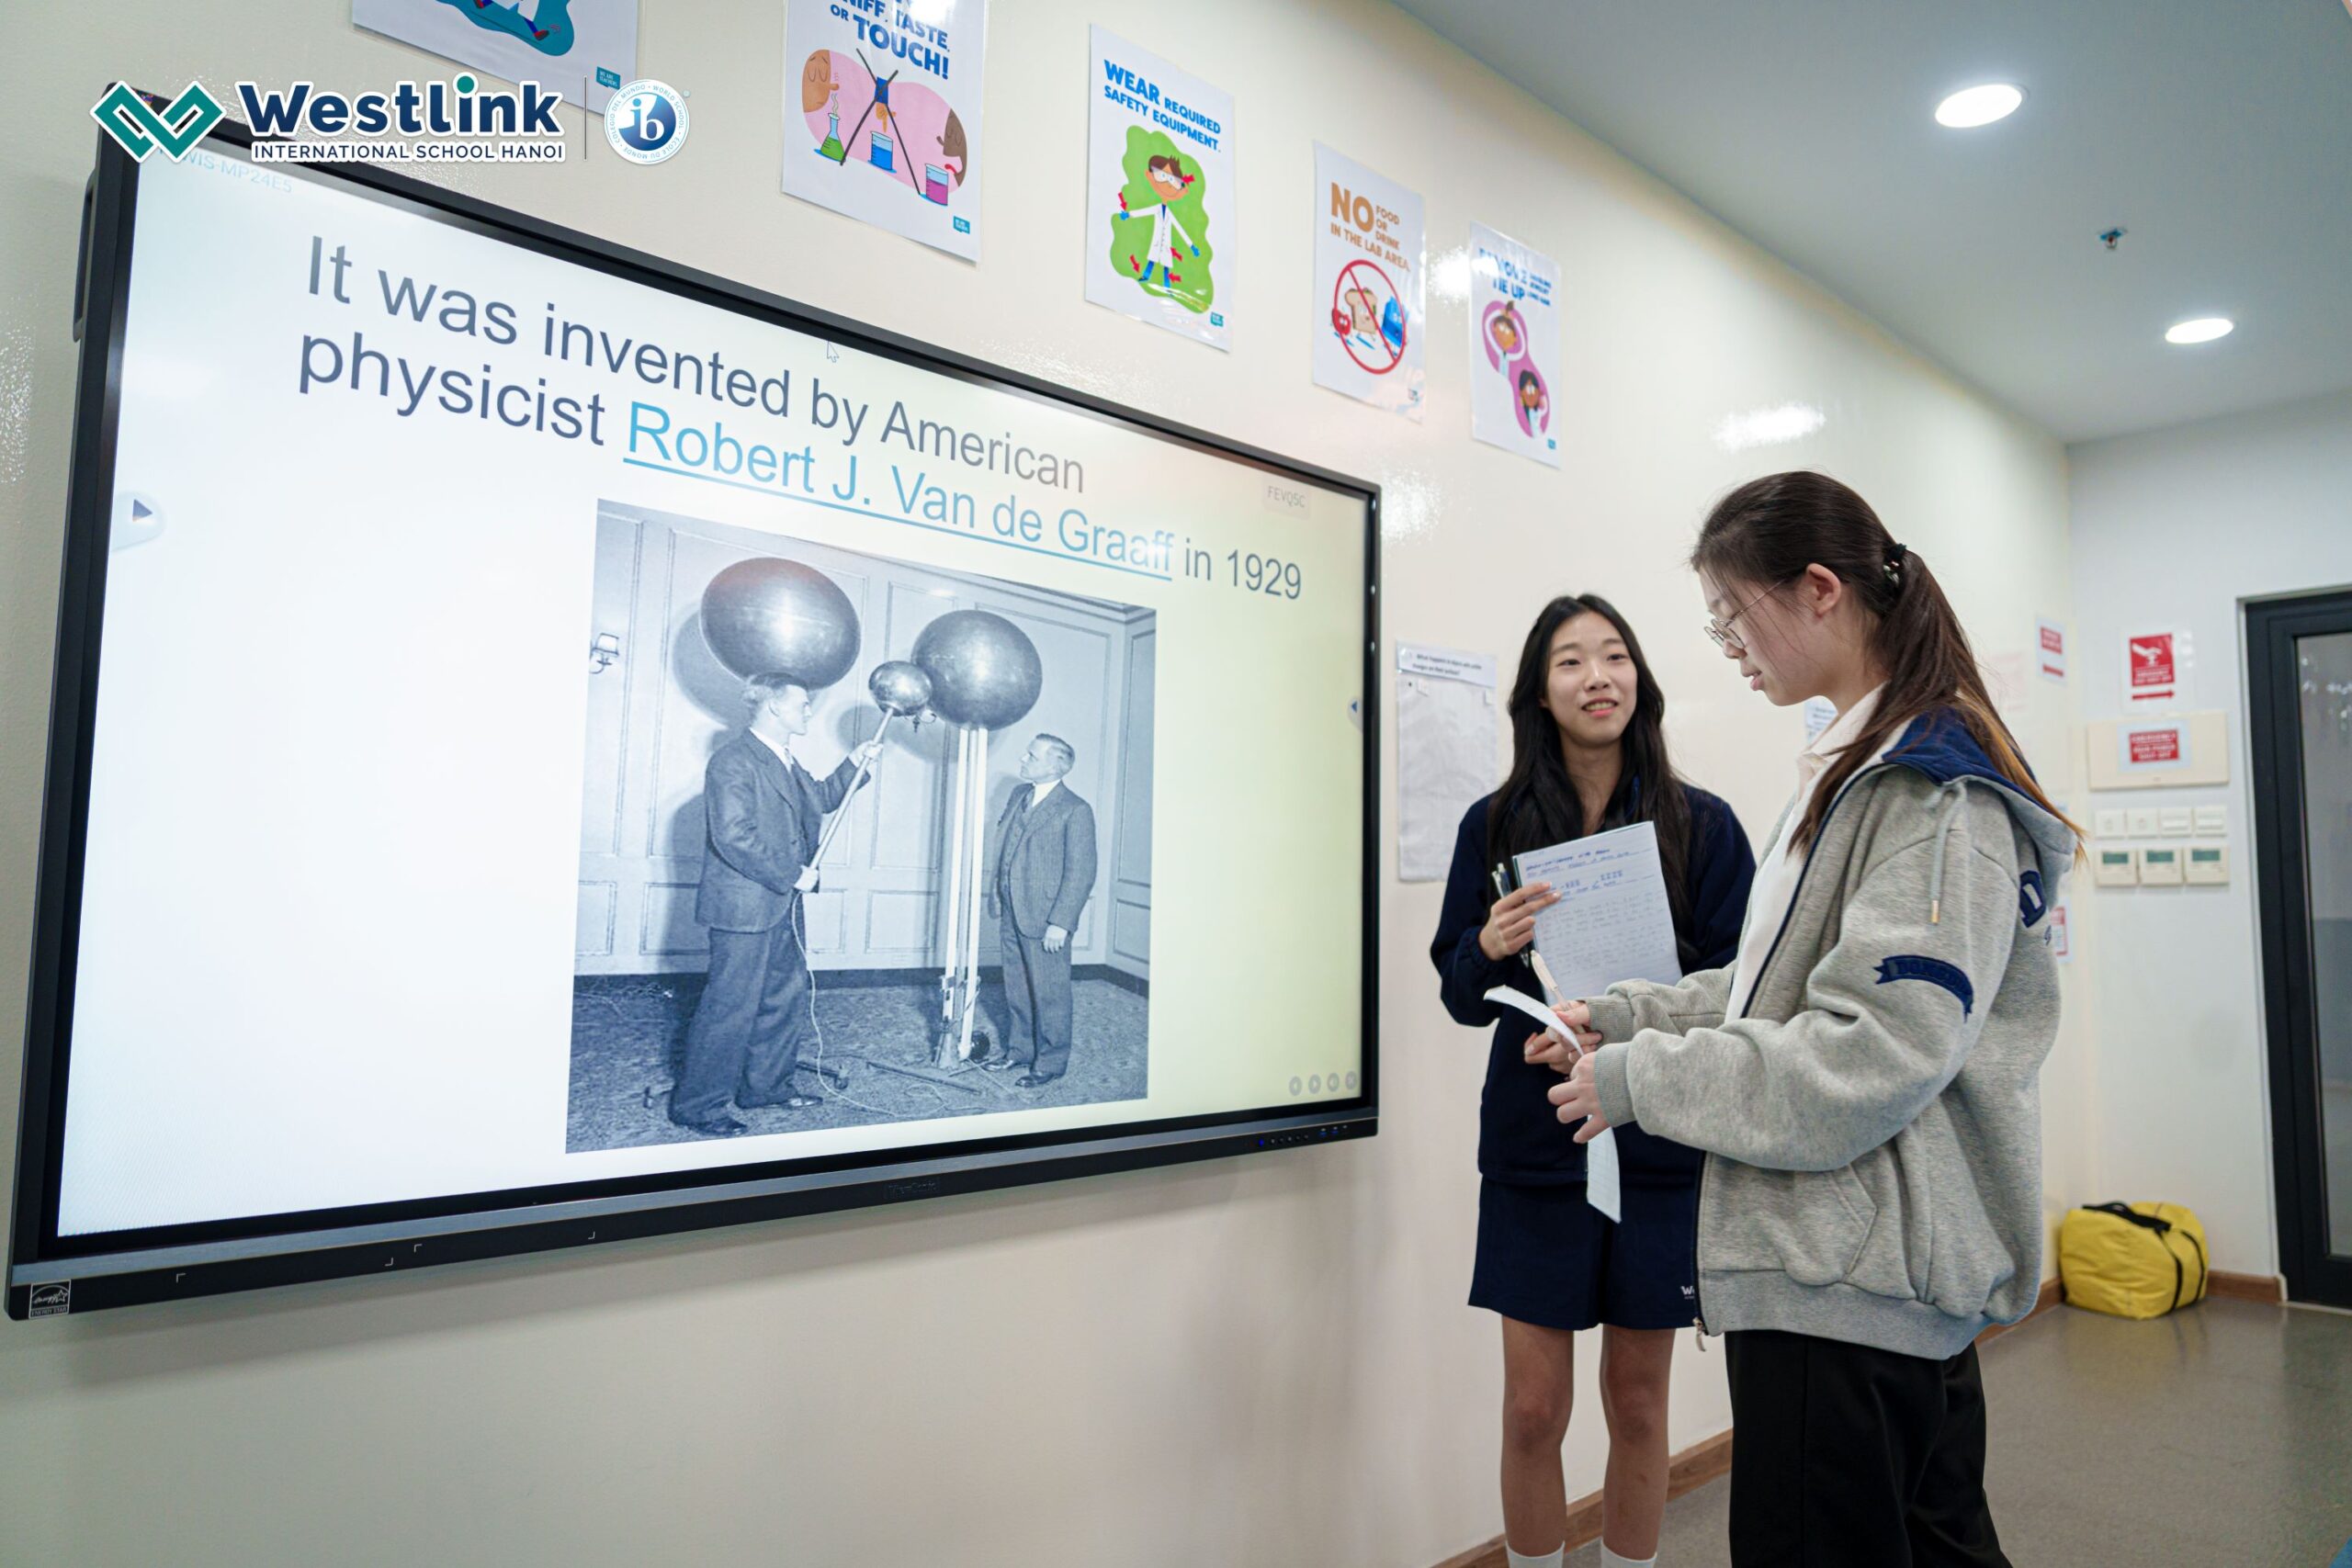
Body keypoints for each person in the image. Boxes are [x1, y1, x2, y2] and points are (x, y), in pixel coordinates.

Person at [1544, 471, 2080, 1566]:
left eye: (1732, 614)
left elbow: (1867, 1053)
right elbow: (1772, 987)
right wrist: (1631, 1017)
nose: (1726, 643)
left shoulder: (1931, 792)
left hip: (1850, 1291)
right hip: (1854, 1277)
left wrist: (1636, 1084)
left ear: (1821, 590)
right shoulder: (1859, 766)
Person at [1430, 595, 1756, 1568]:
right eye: (1571, 662)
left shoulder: (1705, 824)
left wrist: (1621, 1026)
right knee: (1533, 1410)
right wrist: (1486, 945)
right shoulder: (1491, 827)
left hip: (1656, 1132)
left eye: (1614, 657)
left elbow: (1738, 984)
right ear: (1539, 690)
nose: (1597, 677)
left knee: (1640, 1400)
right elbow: (1457, 991)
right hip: (1538, 1143)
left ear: (1640, 682)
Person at [672, 675, 881, 1138]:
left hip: (780, 904)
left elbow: (824, 798)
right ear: (773, 709)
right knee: (730, 1007)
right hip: (745, 907)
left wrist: (855, 762)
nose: (809, 713)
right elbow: (733, 836)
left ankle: (765, 1087)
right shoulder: (733, 761)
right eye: (802, 705)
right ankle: (699, 1106)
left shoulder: (784, 759)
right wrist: (792, 873)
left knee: (782, 999)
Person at [986, 733, 1098, 1089]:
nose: (1023, 758)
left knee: (1050, 993)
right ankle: (1019, 1050)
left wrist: (1060, 924)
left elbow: (1081, 872)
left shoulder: (1075, 810)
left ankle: (1050, 1062)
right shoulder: (1019, 795)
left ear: (1056, 765)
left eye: (1032, 756)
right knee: (1016, 987)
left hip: (1046, 919)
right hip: (1010, 909)